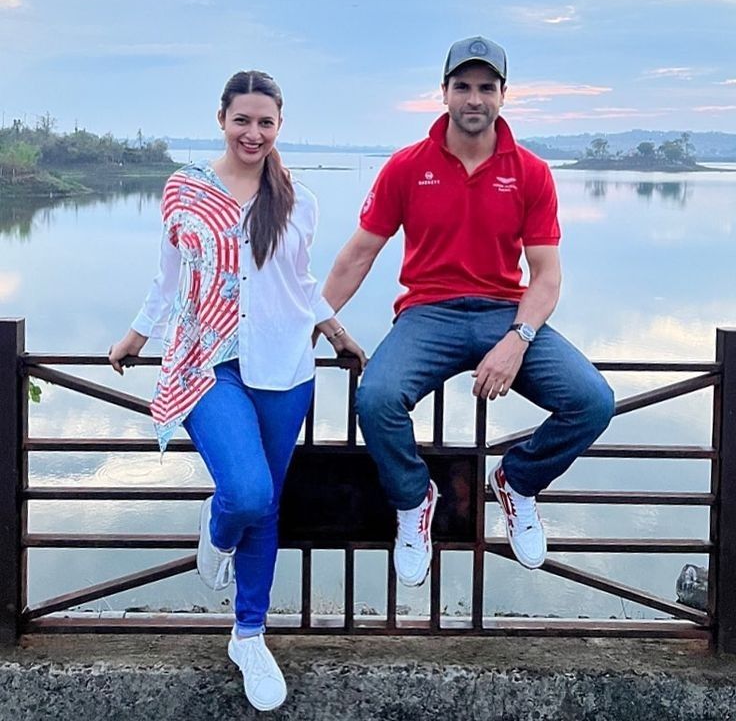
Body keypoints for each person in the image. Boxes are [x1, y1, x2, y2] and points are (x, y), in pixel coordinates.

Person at [109, 70, 364, 712]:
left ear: (280, 126)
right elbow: (169, 276)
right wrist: (139, 335)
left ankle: (248, 633)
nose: (253, 133)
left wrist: (334, 330)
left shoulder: (297, 199)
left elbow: (298, 283)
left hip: (283, 365)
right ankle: (219, 527)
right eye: (242, 120)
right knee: (246, 493)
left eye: (266, 122)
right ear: (221, 119)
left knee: (268, 504)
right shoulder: (184, 191)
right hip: (206, 361)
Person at [321, 36, 615, 588]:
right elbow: (358, 254)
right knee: (377, 397)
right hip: (428, 313)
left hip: (506, 311)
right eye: (463, 86)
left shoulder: (529, 171)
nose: (474, 98)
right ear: (444, 92)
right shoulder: (407, 167)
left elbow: (547, 276)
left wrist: (518, 338)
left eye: (486, 87)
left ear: (504, 95)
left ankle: (519, 482)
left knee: (593, 402)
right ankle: (414, 501)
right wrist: (310, 315)